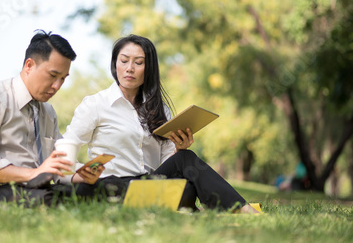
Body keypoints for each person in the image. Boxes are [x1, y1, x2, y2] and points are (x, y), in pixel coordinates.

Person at [64, 34, 258, 213]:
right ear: (115, 64)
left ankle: (228, 207)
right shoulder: (96, 104)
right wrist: (82, 173)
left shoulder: (159, 109)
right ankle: (240, 209)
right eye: (123, 61)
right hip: (113, 185)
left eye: (138, 63)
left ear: (148, 68)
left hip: (149, 184)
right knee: (183, 180)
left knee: (185, 171)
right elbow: (66, 150)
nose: (129, 68)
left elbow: (168, 163)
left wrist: (178, 149)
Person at [0, 30, 104, 206]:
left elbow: (54, 166)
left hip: (33, 187)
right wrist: (34, 173)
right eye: (53, 75)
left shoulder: (47, 112)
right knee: (50, 201)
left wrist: (80, 173)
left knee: (102, 188)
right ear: (29, 65)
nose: (57, 86)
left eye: (63, 79)